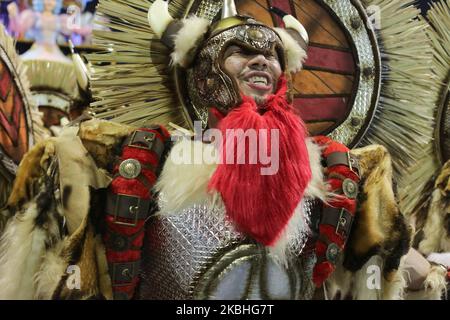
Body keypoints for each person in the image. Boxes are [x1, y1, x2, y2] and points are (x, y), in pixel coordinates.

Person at [0, 0, 443, 300]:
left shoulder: (329, 172)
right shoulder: (140, 159)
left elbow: (390, 262)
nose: (261, 61)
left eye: (272, 54)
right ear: (204, 69)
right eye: (239, 51)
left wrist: (436, 270)